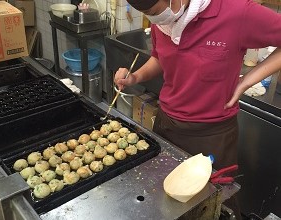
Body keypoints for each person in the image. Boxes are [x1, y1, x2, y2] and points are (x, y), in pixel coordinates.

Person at [114, 0, 281, 219]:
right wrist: (136, 76)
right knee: (165, 203)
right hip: (167, 126)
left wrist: (246, 81)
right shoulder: (165, 19)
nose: (154, 19)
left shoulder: (236, 12)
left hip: (212, 135)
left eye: (153, 12)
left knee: (216, 207)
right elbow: (160, 57)